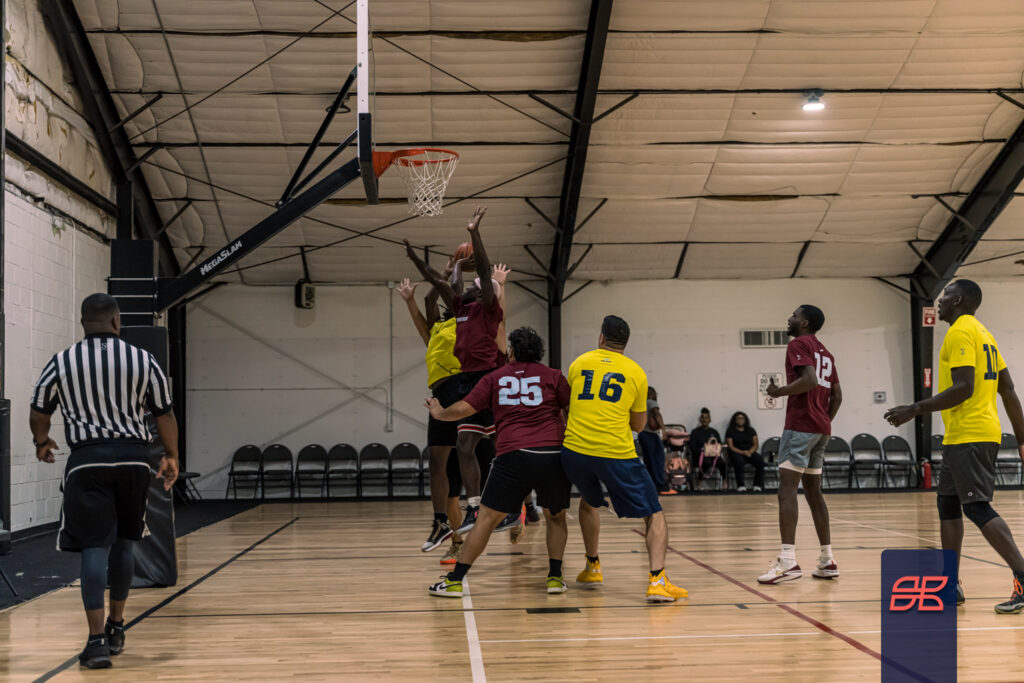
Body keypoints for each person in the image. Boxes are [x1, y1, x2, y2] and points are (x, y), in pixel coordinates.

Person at [29, 293, 179, 669]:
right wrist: (171, 455)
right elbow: (164, 413)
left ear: (83, 323)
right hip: (133, 460)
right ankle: (116, 627)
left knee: (95, 548)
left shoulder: (62, 360)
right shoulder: (143, 359)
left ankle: (96, 643)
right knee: (125, 544)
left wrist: (41, 441)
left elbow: (39, 410)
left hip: (87, 461)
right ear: (116, 321)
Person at [885, 279, 1024, 614]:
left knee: (976, 507)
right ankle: (950, 585)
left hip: (971, 434)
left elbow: (963, 387)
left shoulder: (960, 332)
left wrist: (913, 409)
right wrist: (1021, 438)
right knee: (947, 504)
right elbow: (1007, 389)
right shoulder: (983, 333)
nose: (940, 301)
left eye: (945, 295)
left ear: (958, 300)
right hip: (964, 434)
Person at [425, 327, 572, 597]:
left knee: (486, 519)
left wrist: (439, 413)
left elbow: (465, 408)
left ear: (511, 351)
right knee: (556, 517)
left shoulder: (496, 377)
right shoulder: (554, 376)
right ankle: (554, 578)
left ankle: (455, 581)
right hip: (552, 455)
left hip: (514, 455)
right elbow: (572, 409)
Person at [560, 315, 688, 602]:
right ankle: (657, 581)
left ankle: (592, 567)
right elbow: (639, 426)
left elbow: (567, 407)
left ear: (601, 337)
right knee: (654, 513)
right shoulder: (636, 372)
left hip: (574, 451)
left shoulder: (578, 364)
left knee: (588, 501)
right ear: (625, 343)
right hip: (614, 453)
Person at [404, 206, 503, 535]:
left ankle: (514, 505)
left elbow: (479, 275)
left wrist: (474, 235)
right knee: (456, 452)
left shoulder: (482, 313)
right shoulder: (454, 315)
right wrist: (419, 259)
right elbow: (438, 288)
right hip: (455, 387)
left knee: (492, 450)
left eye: (477, 285)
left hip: (478, 382)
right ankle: (460, 513)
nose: (470, 286)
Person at [758, 305, 842, 584]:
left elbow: (809, 381)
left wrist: (778, 391)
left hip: (800, 426)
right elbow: (837, 396)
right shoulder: (826, 353)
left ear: (804, 323)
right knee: (814, 494)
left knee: (787, 490)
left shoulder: (799, 344)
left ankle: (788, 562)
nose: (789, 318)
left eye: (794, 315)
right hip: (821, 429)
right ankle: (827, 560)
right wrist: (823, 421)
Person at [638, 387, 675, 495]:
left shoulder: (641, 404)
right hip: (650, 434)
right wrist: (664, 430)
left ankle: (652, 486)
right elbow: (657, 414)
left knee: (649, 462)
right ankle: (661, 486)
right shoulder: (651, 402)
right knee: (657, 461)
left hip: (642, 434)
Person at [725, 411, 765, 492]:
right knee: (739, 461)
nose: (740, 420)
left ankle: (757, 485)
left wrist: (749, 452)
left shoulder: (751, 430)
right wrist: (743, 452)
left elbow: (756, 445)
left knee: (760, 460)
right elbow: (731, 446)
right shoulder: (730, 431)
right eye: (738, 418)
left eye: (742, 418)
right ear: (734, 420)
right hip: (736, 453)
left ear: (745, 420)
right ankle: (741, 485)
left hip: (750, 452)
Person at [689, 408, 727, 488]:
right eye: (702, 417)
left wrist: (716, 450)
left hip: (714, 455)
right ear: (700, 419)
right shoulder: (695, 432)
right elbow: (692, 446)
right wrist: (702, 452)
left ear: (710, 420)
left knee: (722, 463)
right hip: (700, 456)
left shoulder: (714, 432)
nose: (704, 420)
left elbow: (720, 444)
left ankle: (724, 481)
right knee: (706, 462)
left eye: (706, 418)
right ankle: (699, 481)